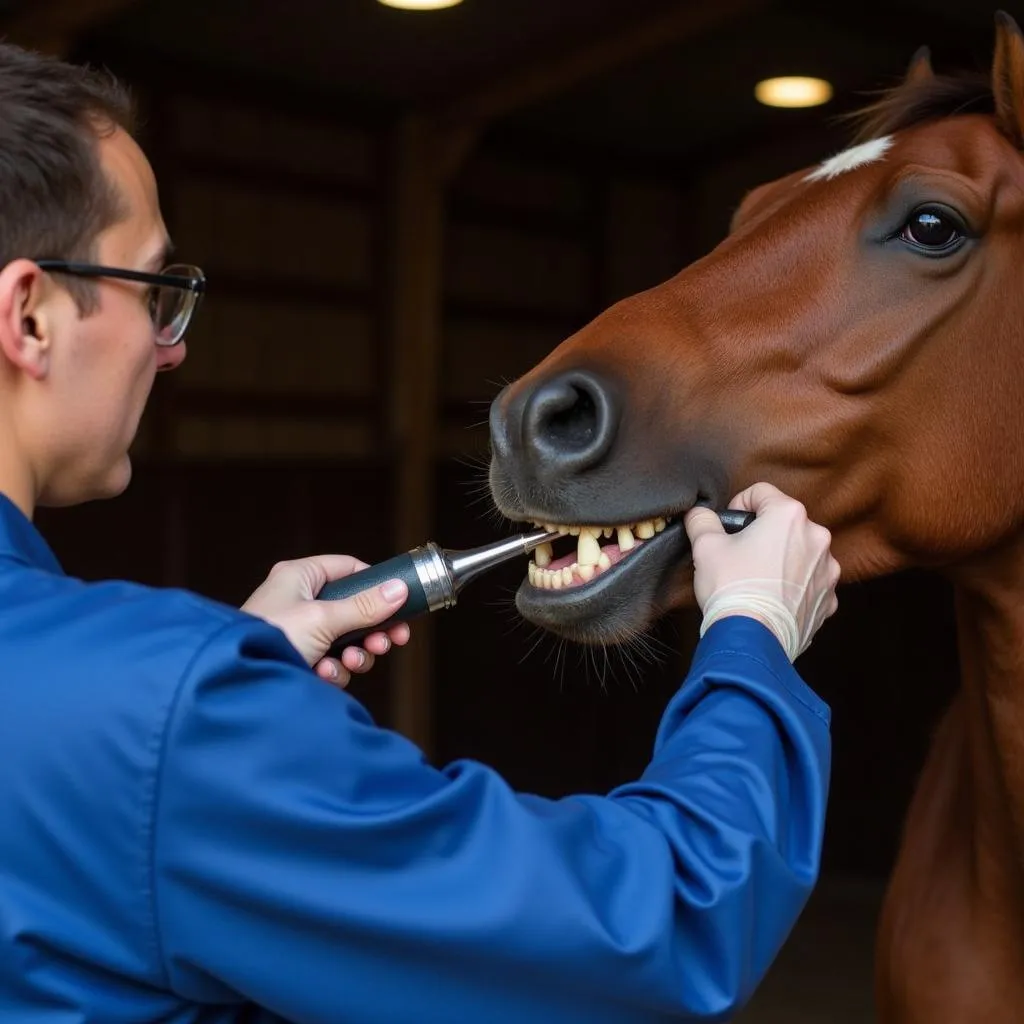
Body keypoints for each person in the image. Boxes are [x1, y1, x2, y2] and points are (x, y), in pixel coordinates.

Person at [0, 42, 841, 1024]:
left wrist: (214, 690)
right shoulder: (166, 714)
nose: (171, 345)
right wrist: (753, 636)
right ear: (30, 316)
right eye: (154, 290)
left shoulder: (130, 702)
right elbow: (653, 925)